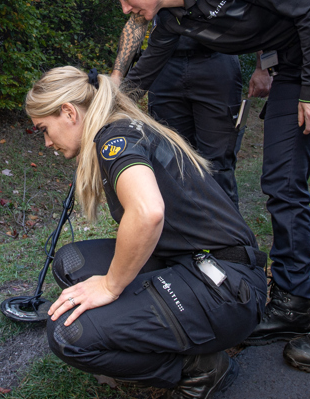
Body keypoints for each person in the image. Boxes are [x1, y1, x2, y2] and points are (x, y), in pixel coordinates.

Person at [101, 0, 310, 373]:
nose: (125, 9)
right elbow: (141, 79)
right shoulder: (174, 21)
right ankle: (292, 304)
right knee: (281, 182)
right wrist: (96, 118)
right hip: (295, 58)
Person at [26, 66, 266, 397]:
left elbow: (148, 213)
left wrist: (111, 286)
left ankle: (201, 369)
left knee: (70, 334)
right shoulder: (123, 128)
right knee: (71, 262)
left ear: (68, 112)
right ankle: (154, 342)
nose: (47, 141)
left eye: (44, 129)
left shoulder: (115, 139)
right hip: (193, 265)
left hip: (227, 289)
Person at [111, 0, 272, 206]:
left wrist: (264, 66)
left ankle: (232, 251)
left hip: (215, 65)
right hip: (165, 68)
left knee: (218, 164)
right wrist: (117, 76)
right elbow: (138, 18)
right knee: (172, 164)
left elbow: (260, 1)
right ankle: (186, 250)